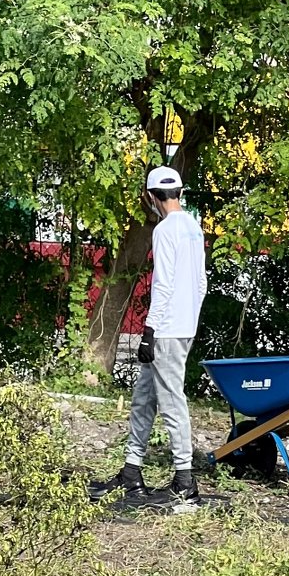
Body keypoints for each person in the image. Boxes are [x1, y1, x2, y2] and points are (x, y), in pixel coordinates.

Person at [91, 166, 208, 505]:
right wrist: (190, 320)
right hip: (182, 326)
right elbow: (200, 283)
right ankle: (131, 471)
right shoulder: (193, 227)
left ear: (150, 197)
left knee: (172, 402)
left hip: (166, 329)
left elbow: (164, 283)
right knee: (144, 398)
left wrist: (150, 329)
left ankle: (185, 481)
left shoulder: (165, 229)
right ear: (180, 193)